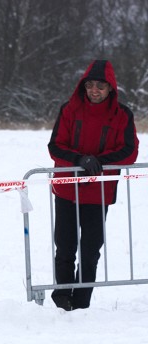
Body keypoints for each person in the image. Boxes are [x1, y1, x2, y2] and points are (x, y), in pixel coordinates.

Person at [47, 59, 139, 311]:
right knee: (64, 247)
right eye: (90, 85)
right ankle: (62, 298)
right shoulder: (69, 109)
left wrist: (100, 161)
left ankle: (82, 303)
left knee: (90, 251)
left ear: (111, 88)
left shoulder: (122, 115)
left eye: (100, 86)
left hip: (99, 194)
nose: (94, 90)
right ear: (83, 86)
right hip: (67, 190)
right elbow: (55, 146)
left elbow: (129, 151)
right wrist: (80, 159)